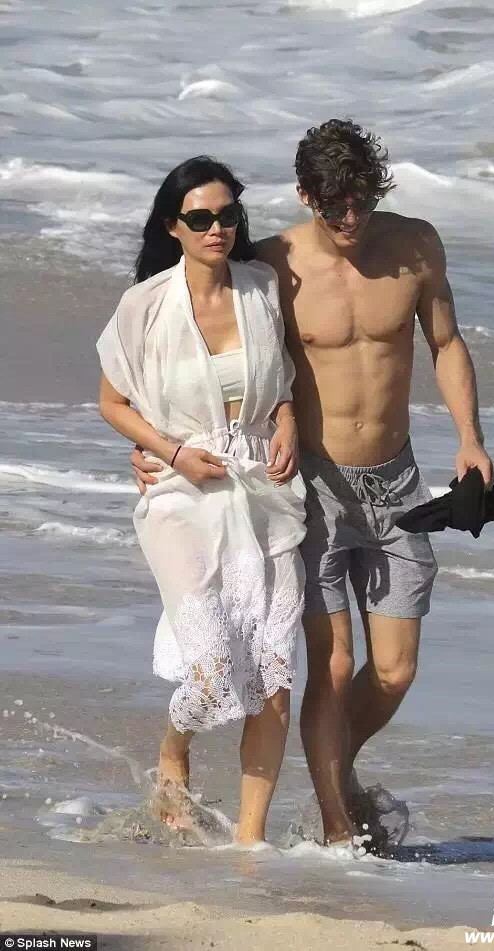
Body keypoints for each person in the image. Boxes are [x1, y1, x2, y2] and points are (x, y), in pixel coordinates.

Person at [132, 120, 494, 848]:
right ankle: (336, 825)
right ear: (306, 196)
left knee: (394, 670)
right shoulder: (274, 264)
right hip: (312, 487)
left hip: (397, 483)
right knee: (331, 664)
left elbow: (445, 342)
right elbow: (196, 345)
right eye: (334, 207)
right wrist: (155, 447)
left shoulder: (416, 246)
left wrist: (471, 439)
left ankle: (338, 768)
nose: (351, 219)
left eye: (361, 201)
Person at [97, 156, 307, 844]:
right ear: (173, 226)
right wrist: (170, 451)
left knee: (273, 670)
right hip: (181, 492)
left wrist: (286, 422)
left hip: (264, 488)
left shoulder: (262, 286)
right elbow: (112, 403)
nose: (217, 228)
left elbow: (281, 383)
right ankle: (174, 748)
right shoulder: (144, 304)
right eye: (200, 218)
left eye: (227, 215)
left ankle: (251, 841)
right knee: (213, 667)